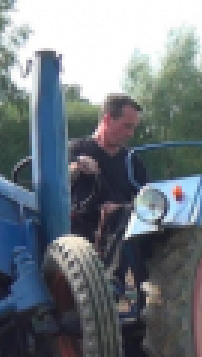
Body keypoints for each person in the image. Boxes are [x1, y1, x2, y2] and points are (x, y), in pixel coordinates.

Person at [68, 94, 147, 291]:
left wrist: (119, 208)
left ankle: (114, 284)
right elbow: (56, 182)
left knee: (133, 214)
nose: (130, 133)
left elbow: (146, 199)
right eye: (127, 126)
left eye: (133, 127)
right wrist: (76, 167)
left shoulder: (132, 161)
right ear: (107, 120)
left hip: (120, 228)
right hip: (79, 230)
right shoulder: (76, 149)